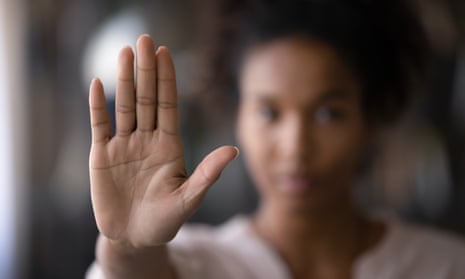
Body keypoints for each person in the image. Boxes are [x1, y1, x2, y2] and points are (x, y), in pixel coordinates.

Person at [86, 0, 465, 278]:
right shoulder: (197, 264)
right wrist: (129, 244)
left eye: (328, 113)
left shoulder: (443, 266)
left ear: (370, 117)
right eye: (269, 113)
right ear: (236, 116)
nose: (296, 147)